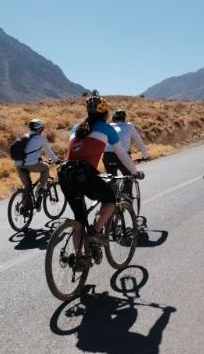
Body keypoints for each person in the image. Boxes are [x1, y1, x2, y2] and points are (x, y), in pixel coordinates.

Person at [58, 92, 144, 245]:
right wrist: (135, 172)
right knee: (110, 200)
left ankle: (79, 259)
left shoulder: (75, 128)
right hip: (84, 174)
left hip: (65, 174)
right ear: (105, 113)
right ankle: (95, 231)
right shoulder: (107, 128)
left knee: (80, 219)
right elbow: (123, 154)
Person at [103, 109, 150, 197]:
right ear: (124, 119)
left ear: (113, 118)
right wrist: (145, 155)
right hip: (123, 156)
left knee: (112, 179)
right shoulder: (129, 126)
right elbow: (139, 142)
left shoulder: (108, 126)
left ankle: (113, 201)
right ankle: (126, 198)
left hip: (107, 155)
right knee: (129, 176)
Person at [14, 119, 58, 206]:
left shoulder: (24, 136)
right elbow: (49, 153)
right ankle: (40, 189)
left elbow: (28, 151)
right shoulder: (41, 138)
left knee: (27, 186)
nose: (42, 130)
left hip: (18, 165)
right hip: (31, 164)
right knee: (45, 168)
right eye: (41, 128)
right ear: (38, 128)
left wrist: (38, 158)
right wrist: (56, 160)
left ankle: (25, 208)